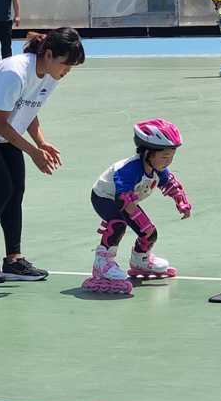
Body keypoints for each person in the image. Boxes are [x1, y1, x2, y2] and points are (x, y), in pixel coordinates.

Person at [0, 28, 86, 284]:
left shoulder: (50, 74)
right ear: (48, 54)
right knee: (1, 189)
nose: (67, 71)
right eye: (66, 64)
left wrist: (41, 142)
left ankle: (13, 260)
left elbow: (28, 108)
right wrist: (33, 152)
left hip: (5, 131)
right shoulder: (14, 73)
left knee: (16, 190)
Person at [82, 119, 192, 295]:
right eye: (165, 156)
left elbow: (171, 184)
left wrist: (181, 201)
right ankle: (102, 265)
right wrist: (143, 223)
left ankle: (140, 260)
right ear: (148, 153)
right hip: (105, 197)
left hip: (127, 200)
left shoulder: (158, 167)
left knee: (150, 233)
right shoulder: (129, 170)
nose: (168, 162)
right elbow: (123, 200)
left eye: (172, 156)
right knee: (118, 225)